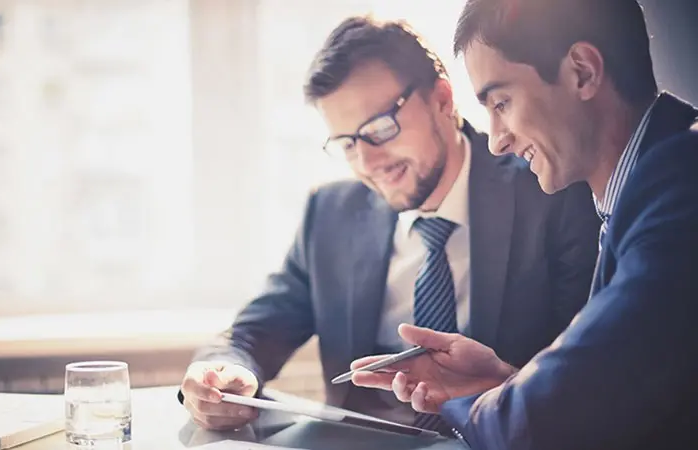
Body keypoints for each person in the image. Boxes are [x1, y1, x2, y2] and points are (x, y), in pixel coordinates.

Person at [179, 15, 600, 433]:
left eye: (379, 128)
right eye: (347, 143)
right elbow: (254, 332)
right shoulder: (330, 214)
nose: (368, 162)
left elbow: (584, 378)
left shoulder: (549, 190)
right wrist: (220, 373)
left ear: (441, 98)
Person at [349, 0, 698, 448]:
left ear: (583, 72)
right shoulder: (644, 187)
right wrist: (504, 383)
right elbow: (614, 396)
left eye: (502, 102)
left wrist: (476, 405)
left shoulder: (681, 182)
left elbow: (552, 415)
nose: (496, 141)